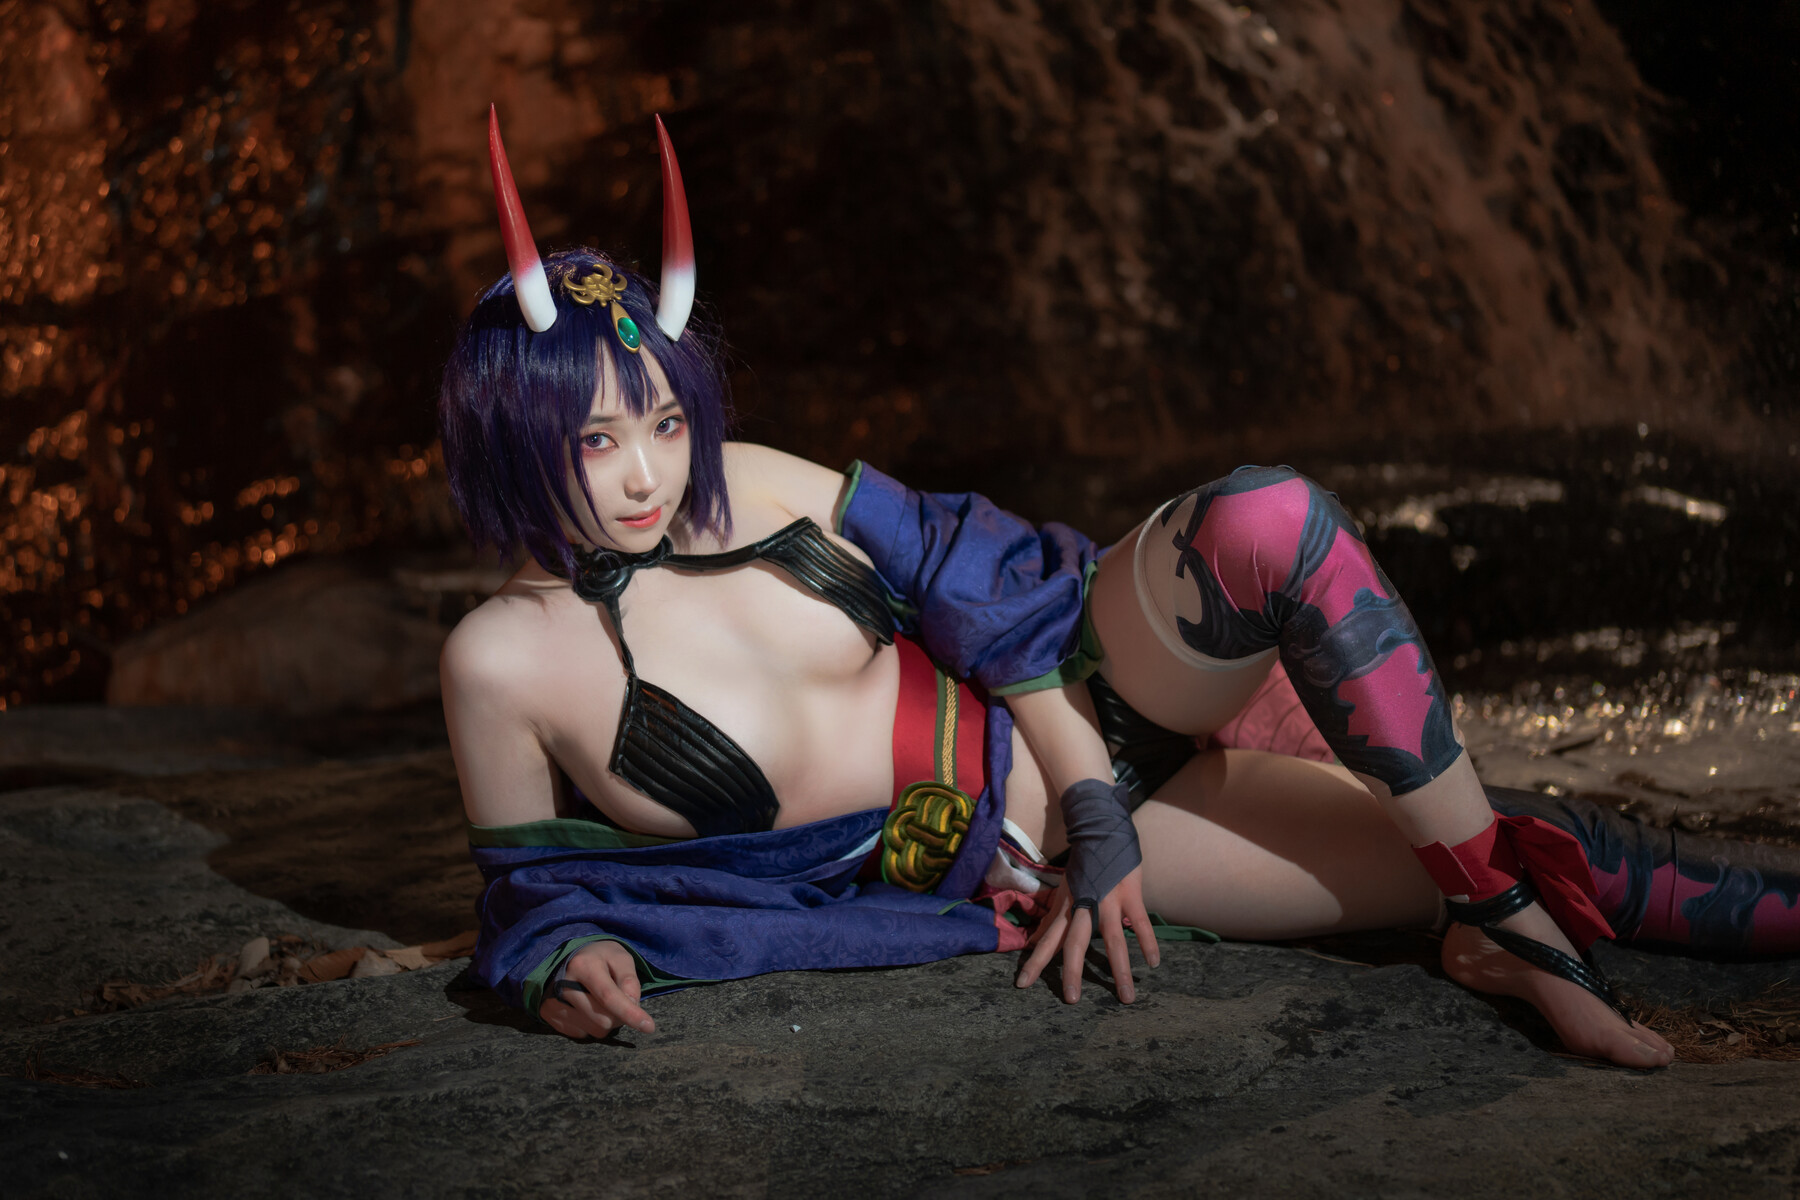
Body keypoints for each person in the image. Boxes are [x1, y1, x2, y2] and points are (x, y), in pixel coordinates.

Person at [439, 110, 1800, 1069]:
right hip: (1018, 861)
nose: (648, 473)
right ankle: (1526, 922)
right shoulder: (501, 660)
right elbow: (533, 887)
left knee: (1271, 518)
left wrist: (1091, 791)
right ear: (512, 433)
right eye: (596, 438)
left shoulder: (750, 481)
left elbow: (967, 565)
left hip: (1082, 693)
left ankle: (1515, 940)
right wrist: (562, 964)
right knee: (1490, 845)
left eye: (665, 420)